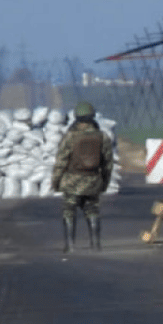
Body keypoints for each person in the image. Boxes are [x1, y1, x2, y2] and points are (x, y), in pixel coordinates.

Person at [51, 101, 114, 252]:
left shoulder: (70, 137)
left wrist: (56, 181)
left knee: (69, 210)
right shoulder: (102, 137)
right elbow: (108, 163)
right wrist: (104, 182)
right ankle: (95, 244)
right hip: (93, 180)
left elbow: (61, 161)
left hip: (72, 181)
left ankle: (70, 245)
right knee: (92, 210)